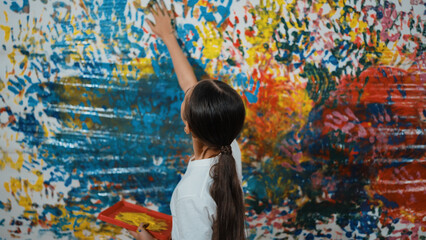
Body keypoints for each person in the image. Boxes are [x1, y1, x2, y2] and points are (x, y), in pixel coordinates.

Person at [129, 1, 246, 240]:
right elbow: (189, 84)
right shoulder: (229, 147)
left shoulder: (190, 195)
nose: (188, 90)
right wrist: (168, 36)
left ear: (188, 125)